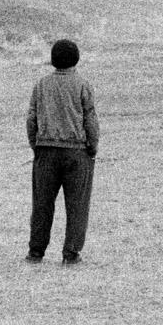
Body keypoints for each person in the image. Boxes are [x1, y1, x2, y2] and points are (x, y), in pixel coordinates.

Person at [25, 38, 100, 264]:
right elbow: (91, 121)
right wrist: (92, 147)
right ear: (76, 59)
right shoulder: (82, 85)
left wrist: (35, 146)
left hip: (45, 150)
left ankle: (36, 251)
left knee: (42, 205)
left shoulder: (41, 85)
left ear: (52, 60)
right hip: (77, 152)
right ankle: (71, 253)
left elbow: (31, 119)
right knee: (77, 206)